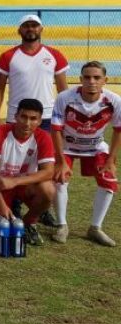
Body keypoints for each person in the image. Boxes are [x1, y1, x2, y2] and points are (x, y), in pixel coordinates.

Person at [51, 61, 121, 246]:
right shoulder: (65, 98)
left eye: (97, 77)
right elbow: (56, 129)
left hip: (96, 147)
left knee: (109, 181)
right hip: (67, 146)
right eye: (87, 77)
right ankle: (62, 225)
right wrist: (61, 161)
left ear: (105, 80)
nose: (92, 81)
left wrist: (111, 160)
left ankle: (95, 228)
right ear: (81, 79)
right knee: (59, 178)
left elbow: (118, 130)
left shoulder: (114, 101)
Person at [0, 98, 56, 246]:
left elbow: (49, 172)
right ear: (16, 116)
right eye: (23, 117)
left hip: (24, 185)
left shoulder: (43, 137)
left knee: (48, 189)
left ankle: (29, 223)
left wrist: (15, 181)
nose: (27, 123)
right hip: (0, 185)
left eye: (33, 119)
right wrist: (1, 204)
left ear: (40, 121)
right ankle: (1, 205)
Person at [0, 14, 68, 131]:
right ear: (19, 30)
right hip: (16, 115)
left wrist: (65, 114)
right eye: (26, 26)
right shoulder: (7, 56)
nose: (30, 28)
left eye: (34, 25)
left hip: (47, 115)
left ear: (41, 29)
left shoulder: (55, 55)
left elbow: (63, 89)